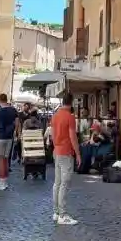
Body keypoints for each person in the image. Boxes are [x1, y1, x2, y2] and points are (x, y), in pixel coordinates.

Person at [51, 92, 81, 225]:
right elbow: (73, 137)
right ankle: (62, 215)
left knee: (57, 183)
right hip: (66, 151)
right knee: (64, 183)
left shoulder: (55, 116)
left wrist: (55, 146)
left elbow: (52, 135)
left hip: (57, 150)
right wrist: (78, 153)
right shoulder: (70, 117)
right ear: (72, 102)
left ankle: (56, 212)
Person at [0, 94, 18, 191]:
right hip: (9, 137)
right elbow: (17, 122)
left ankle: (2, 182)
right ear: (6, 99)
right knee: (6, 160)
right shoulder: (13, 110)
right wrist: (15, 132)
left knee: (0, 160)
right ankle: (5, 181)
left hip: (0, 136)